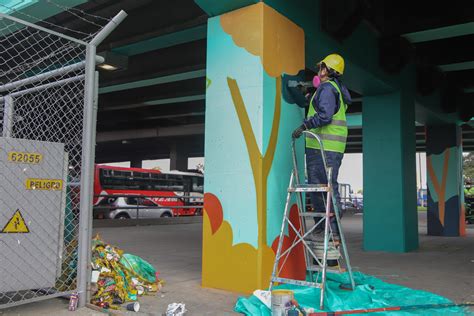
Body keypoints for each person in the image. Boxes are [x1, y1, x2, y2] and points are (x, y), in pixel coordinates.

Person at [292, 53, 352, 242]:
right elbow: (327, 108)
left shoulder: (327, 88)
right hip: (330, 148)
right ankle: (327, 228)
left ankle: (329, 229)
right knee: (324, 187)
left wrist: (304, 126)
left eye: (321, 67)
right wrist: (309, 95)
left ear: (328, 70)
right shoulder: (334, 89)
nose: (319, 71)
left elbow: (325, 116)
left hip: (323, 147)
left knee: (321, 188)